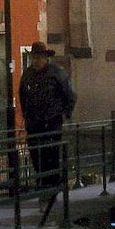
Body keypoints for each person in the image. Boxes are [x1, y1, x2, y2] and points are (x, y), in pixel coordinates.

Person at [19, 42, 77, 207]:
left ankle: (51, 191)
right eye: (34, 57)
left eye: (39, 57)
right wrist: (26, 114)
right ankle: (44, 189)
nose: (36, 60)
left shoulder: (57, 73)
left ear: (45, 58)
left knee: (50, 156)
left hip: (51, 122)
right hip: (34, 123)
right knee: (37, 157)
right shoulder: (28, 74)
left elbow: (70, 94)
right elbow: (23, 95)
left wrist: (66, 113)